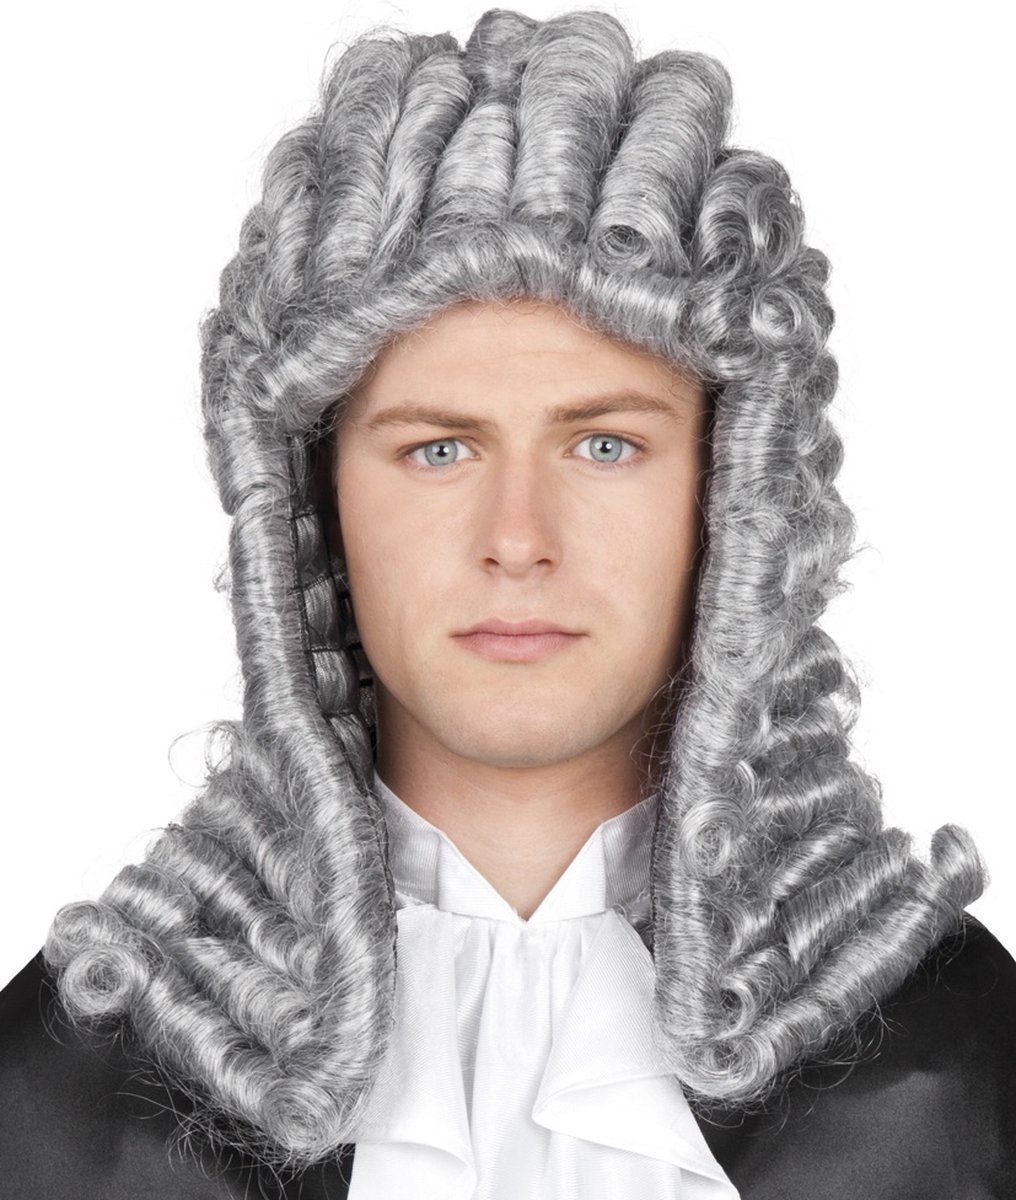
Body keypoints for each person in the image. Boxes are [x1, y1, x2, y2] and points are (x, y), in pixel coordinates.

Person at [2, 7, 1014, 1199]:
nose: (518, 541)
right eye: (436, 450)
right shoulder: (72, 1092)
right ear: (313, 502)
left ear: (732, 495)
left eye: (602, 445)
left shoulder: (955, 1072)